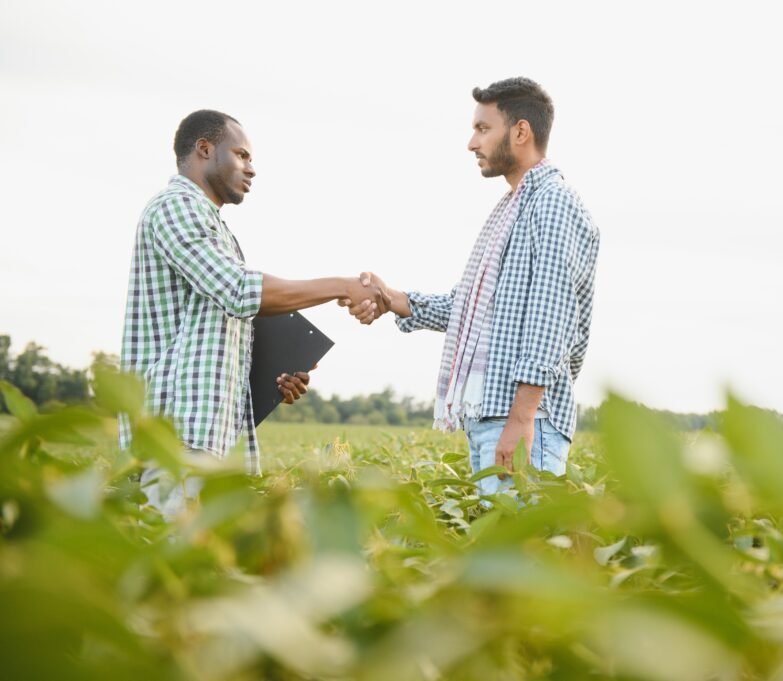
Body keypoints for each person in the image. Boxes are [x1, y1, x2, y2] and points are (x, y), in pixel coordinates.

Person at [120, 109, 384, 517]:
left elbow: (216, 324)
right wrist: (342, 286)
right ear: (205, 149)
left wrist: (272, 378)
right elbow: (240, 290)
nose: (251, 168)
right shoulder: (176, 208)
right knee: (174, 551)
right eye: (241, 155)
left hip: (210, 437)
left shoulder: (213, 225)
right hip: (178, 437)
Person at [351, 78, 600, 496]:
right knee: (499, 533)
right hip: (495, 417)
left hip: (525, 421)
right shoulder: (513, 208)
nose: (472, 143)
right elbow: (467, 308)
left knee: (519, 536)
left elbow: (551, 317)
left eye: (483, 129)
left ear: (521, 132)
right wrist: (391, 299)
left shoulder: (552, 202)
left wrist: (521, 419)